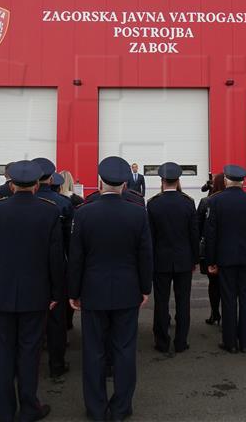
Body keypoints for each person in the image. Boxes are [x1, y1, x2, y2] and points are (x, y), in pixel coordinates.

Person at [68, 156, 152, 422]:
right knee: (124, 350)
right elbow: (145, 255)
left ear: (100, 182)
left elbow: (76, 257)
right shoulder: (138, 213)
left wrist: (74, 291)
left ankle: (95, 407)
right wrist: (145, 288)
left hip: (93, 291)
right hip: (128, 291)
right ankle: (121, 407)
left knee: (93, 352)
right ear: (126, 184)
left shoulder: (83, 213)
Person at [0, 160, 63, 422]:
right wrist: (55, 293)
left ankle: (3, 410)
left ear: (12, 184)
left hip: (1, 292)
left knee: (3, 353)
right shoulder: (49, 211)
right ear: (37, 184)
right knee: (30, 352)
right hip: (36, 293)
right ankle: (29, 407)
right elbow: (56, 258)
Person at [204, 164, 246, 354]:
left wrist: (211, 261)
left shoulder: (215, 201)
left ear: (227, 181)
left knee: (228, 300)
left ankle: (230, 342)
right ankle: (245, 342)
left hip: (225, 258)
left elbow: (211, 234)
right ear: (243, 181)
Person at [147, 162, 198, 354]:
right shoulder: (188, 202)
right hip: (184, 259)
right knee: (183, 301)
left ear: (162, 181)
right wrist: (194, 259)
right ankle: (181, 341)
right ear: (178, 180)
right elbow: (194, 234)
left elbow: (150, 237)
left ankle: (162, 341)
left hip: (160, 261)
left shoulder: (153, 203)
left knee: (161, 302)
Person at [33, 158, 72, 379]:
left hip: (26, 270)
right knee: (56, 320)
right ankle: (56, 364)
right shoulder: (62, 204)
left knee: (29, 320)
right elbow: (69, 242)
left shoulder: (9, 203)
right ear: (51, 177)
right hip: (57, 268)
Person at [198, 173, 225, 325]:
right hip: (228, 250)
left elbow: (199, 226)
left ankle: (215, 313)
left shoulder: (206, 201)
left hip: (210, 249)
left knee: (213, 284)